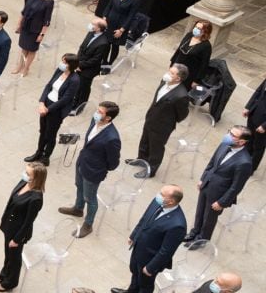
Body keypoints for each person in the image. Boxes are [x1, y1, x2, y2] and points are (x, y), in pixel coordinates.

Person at [112, 184, 187, 293]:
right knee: (134, 271)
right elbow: (145, 218)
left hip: (151, 258)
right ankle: (132, 292)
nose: (158, 195)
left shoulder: (178, 225)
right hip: (139, 247)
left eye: (162, 194)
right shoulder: (157, 202)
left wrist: (151, 267)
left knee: (146, 283)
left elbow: (166, 251)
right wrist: (134, 235)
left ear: (171, 201)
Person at [59, 101, 121, 238]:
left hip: (94, 172)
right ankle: (78, 208)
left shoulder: (112, 138)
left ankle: (88, 224)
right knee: (79, 187)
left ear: (108, 118)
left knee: (90, 198)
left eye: (100, 112)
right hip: (82, 162)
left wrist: (99, 168)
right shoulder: (95, 121)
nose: (96, 113)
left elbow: (113, 163)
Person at [185, 125, 254, 245]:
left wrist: (222, 202)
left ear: (242, 142)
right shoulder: (224, 145)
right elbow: (212, 163)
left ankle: (201, 239)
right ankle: (195, 231)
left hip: (218, 194)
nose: (228, 136)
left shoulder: (244, 162)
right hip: (207, 184)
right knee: (200, 211)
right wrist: (203, 178)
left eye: (233, 135)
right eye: (229, 132)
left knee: (209, 219)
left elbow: (236, 187)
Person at [0, 163, 46, 293]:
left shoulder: (36, 199)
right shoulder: (24, 182)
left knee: (14, 257)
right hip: (9, 225)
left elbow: (28, 222)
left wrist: (16, 240)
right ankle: (4, 274)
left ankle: (10, 282)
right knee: (8, 254)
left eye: (28, 174)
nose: (25, 175)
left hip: (17, 232)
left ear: (36, 178)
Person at [135, 65, 191, 178]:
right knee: (145, 140)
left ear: (178, 78)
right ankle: (141, 159)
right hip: (151, 118)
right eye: (169, 71)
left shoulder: (181, 95)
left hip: (162, 126)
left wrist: (167, 121)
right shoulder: (164, 82)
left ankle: (151, 170)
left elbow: (182, 114)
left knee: (156, 148)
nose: (167, 74)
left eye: (172, 73)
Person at [26, 54, 81, 166]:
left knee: (50, 134)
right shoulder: (59, 71)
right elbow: (48, 86)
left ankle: (46, 157)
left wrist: (48, 109)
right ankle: (39, 152)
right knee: (42, 131)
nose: (62, 64)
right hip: (46, 104)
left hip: (56, 109)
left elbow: (66, 99)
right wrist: (42, 102)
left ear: (70, 65)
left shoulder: (75, 80)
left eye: (64, 62)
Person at [13, 0, 55, 76]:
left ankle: (26, 68)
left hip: (36, 28)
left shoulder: (49, 2)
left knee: (31, 49)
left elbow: (47, 20)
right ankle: (20, 66)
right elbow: (24, 11)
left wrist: (42, 34)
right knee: (23, 47)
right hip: (26, 25)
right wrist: (19, 24)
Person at [69, 18, 112, 113]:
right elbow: (82, 47)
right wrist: (77, 62)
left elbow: (95, 60)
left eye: (93, 24)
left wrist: (80, 65)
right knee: (77, 86)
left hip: (89, 69)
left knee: (84, 88)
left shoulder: (104, 43)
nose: (90, 25)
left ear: (99, 28)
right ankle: (73, 102)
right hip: (80, 64)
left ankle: (79, 107)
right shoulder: (90, 33)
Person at [102, 0, 142, 64]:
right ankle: (104, 62)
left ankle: (109, 64)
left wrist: (121, 30)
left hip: (120, 25)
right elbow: (110, 5)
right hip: (109, 22)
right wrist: (104, 17)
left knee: (114, 46)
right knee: (106, 43)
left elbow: (131, 16)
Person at [170, 21, 212, 88]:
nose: (195, 29)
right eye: (195, 27)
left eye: (199, 28)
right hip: (176, 69)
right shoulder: (189, 35)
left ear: (205, 32)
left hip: (189, 74)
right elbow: (179, 50)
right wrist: (172, 64)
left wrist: (196, 81)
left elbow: (204, 65)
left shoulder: (206, 46)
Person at [244, 76, 266, 171]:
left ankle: (251, 167)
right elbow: (258, 92)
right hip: (254, 113)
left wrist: (265, 126)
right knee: (249, 139)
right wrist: (248, 107)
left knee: (258, 146)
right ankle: (244, 160)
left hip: (263, 122)